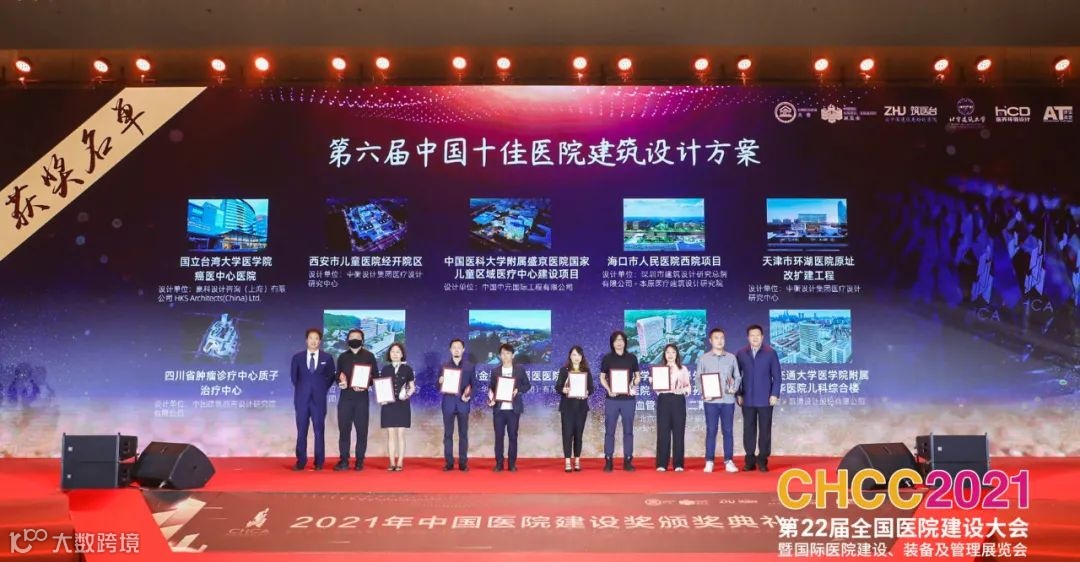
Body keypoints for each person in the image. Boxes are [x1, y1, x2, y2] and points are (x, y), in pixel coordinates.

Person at [735, 324, 781, 473]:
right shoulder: (741, 353)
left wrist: (774, 394)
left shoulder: (770, 353)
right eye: (752, 335)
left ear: (762, 337)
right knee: (748, 430)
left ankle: (762, 460)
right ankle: (749, 461)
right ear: (748, 337)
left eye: (758, 335)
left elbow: (777, 376)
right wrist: (738, 394)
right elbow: (736, 376)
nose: (755, 338)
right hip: (747, 399)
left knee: (765, 430)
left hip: (766, 399)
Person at [695, 328, 742, 474]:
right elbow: (698, 379)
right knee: (711, 430)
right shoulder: (704, 358)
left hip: (728, 400)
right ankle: (709, 461)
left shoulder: (731, 358)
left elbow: (737, 376)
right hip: (711, 402)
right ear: (710, 340)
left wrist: (734, 388)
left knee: (728, 431)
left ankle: (729, 461)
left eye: (722, 337)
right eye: (716, 338)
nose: (719, 340)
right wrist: (704, 393)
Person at [289, 329, 336, 471]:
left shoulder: (327, 358)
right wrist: (305, 389)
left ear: (320, 341)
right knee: (301, 431)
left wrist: (320, 389)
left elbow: (330, 378)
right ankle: (301, 461)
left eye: (316, 338)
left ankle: (319, 462)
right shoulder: (297, 358)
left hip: (319, 401)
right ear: (306, 340)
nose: (313, 341)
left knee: (319, 431)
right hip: (302, 400)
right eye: (311, 338)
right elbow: (294, 378)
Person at [334, 328, 378, 471]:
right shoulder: (342, 357)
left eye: (357, 337)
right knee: (344, 430)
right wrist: (340, 382)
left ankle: (360, 460)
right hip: (345, 398)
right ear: (347, 340)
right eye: (351, 337)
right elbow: (337, 376)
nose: (354, 339)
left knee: (362, 430)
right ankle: (344, 460)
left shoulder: (369, 356)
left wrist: (366, 384)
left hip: (361, 399)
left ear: (362, 340)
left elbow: (375, 376)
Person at [599, 330, 641, 472]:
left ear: (625, 342)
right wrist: (608, 389)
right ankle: (608, 460)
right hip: (612, 399)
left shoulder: (632, 358)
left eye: (621, 340)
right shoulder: (607, 358)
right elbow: (602, 377)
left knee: (628, 431)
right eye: (616, 340)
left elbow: (638, 376)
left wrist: (633, 383)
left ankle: (628, 460)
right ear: (612, 343)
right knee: (609, 431)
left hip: (628, 399)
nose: (619, 342)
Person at [486, 343, 531, 472]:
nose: (505, 356)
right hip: (499, 410)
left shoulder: (519, 370)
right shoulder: (495, 371)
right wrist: (491, 398)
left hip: (513, 409)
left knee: (513, 437)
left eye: (508, 353)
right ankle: (499, 464)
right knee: (499, 437)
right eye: (503, 353)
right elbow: (491, 388)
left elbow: (527, 385)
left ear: (513, 355)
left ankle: (512, 464)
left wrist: (518, 390)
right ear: (499, 356)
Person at [554, 345, 594, 472]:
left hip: (581, 408)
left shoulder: (586, 371)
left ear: (582, 357)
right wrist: (563, 389)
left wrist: (587, 392)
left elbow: (591, 388)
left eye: (578, 355)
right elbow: (557, 387)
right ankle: (567, 461)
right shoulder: (564, 370)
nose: (576, 357)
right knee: (567, 434)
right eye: (574, 355)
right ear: (570, 356)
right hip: (567, 408)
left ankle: (577, 460)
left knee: (578, 435)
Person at [439, 338, 474, 471]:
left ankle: (463, 463)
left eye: (459, 347)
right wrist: (440, 381)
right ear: (450, 350)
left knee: (463, 434)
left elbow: (474, 386)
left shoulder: (469, 366)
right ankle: (449, 463)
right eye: (454, 347)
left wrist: (468, 395)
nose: (456, 349)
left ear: (463, 349)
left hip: (463, 404)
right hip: (448, 404)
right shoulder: (444, 366)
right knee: (448, 434)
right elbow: (438, 386)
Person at [654, 343, 691, 472]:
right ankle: (662, 464)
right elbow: (656, 388)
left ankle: (678, 464)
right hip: (664, 400)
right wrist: (654, 382)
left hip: (678, 400)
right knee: (663, 432)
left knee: (678, 432)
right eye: (668, 352)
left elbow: (688, 386)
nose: (670, 355)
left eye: (673, 352)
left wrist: (683, 390)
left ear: (677, 354)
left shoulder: (683, 369)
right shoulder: (659, 369)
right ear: (664, 354)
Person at [379, 343, 415, 471]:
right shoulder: (385, 369)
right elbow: (381, 386)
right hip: (388, 404)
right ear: (389, 354)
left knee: (400, 434)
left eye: (398, 352)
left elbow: (412, 387)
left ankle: (399, 462)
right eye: (392, 352)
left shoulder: (407, 369)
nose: (395, 354)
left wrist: (407, 395)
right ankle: (391, 462)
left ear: (402, 354)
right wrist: (382, 398)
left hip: (402, 405)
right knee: (390, 435)